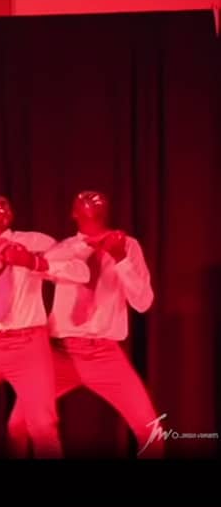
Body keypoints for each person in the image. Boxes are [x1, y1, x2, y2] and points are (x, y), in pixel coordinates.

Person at [0, 196, 89, 459]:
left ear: (12, 214)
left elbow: (80, 272)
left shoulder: (36, 242)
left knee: (43, 425)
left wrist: (34, 262)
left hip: (29, 345)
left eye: (5, 205)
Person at [32, 191, 164, 458]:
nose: (92, 205)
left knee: (152, 432)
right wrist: (82, 251)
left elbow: (143, 303)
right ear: (73, 213)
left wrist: (120, 258)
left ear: (108, 210)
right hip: (61, 354)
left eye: (98, 203)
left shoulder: (128, 246)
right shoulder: (63, 249)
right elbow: (39, 269)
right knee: (21, 424)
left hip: (104, 354)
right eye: (84, 203)